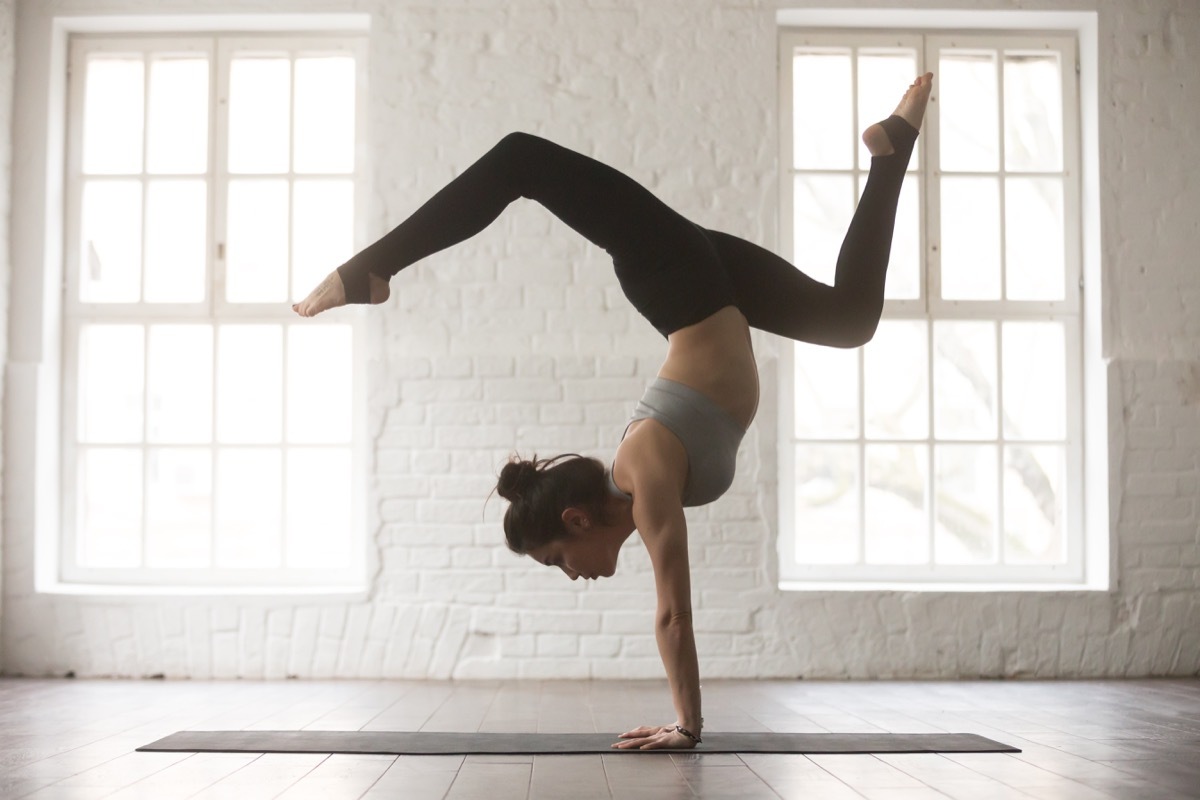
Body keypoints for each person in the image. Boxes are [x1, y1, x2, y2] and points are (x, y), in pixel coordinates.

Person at [295, 74, 934, 750]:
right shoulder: (643, 477)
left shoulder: (646, 466)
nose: (570, 576)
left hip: (679, 276)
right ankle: (893, 153)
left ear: (575, 521)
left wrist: (687, 728)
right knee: (850, 319)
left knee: (521, 160)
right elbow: (673, 612)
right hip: (710, 283)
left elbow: (673, 615)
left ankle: (371, 269)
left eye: (556, 561)